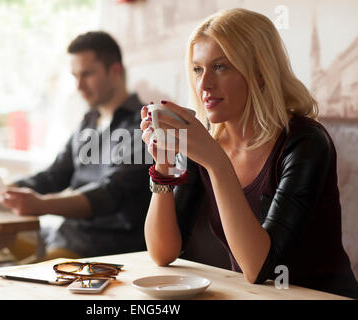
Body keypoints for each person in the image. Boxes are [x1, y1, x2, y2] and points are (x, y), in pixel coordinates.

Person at [140, 8, 358, 298]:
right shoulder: (206, 143)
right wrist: (164, 166)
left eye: (220, 67)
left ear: (260, 71)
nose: (204, 84)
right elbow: (162, 252)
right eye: (197, 69)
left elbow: (259, 267)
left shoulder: (306, 143)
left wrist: (217, 162)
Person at [0, 31, 151, 267]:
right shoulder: (89, 121)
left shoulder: (143, 127)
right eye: (75, 76)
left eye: (87, 74)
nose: (79, 86)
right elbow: (54, 175)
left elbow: (111, 194)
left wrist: (42, 204)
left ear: (115, 71)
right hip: (64, 236)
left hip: (103, 248)